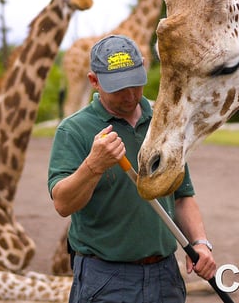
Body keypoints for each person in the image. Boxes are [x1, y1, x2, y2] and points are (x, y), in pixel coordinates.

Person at [48, 34, 215, 303]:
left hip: (165, 277)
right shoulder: (74, 130)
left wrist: (199, 243)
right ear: (94, 81)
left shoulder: (162, 121)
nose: (130, 95)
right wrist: (94, 165)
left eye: (135, 84)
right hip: (105, 279)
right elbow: (62, 204)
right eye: (118, 88)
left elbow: (182, 194)